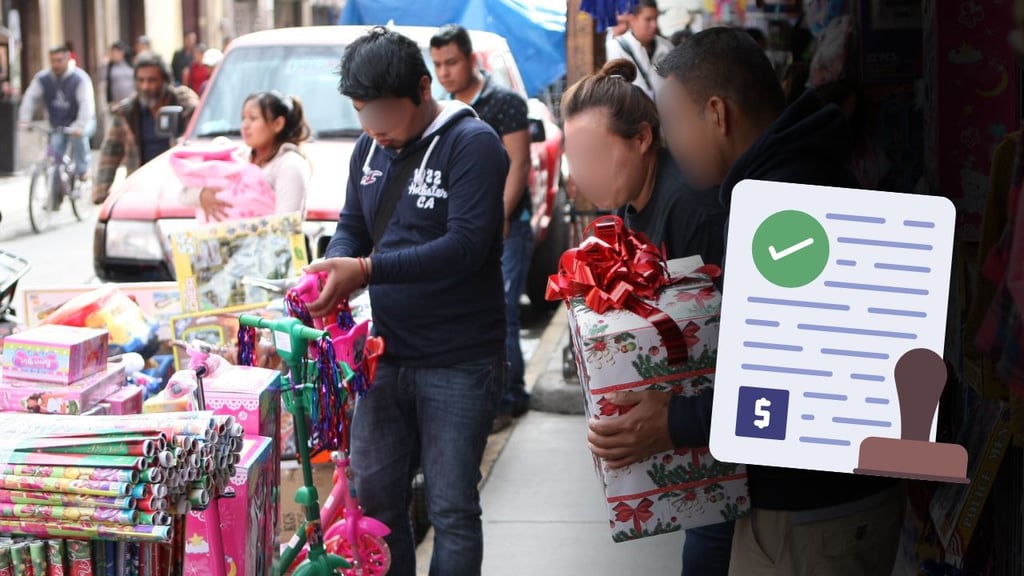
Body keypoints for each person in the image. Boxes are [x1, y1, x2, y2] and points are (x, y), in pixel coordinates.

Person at [618, 27, 899, 575]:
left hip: (813, 513)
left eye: (673, 122)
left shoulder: (785, 207)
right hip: (823, 505)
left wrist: (674, 421)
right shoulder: (797, 177)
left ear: (717, 113)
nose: (670, 143)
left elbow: (797, 386)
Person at [304, 26, 508, 576]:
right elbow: (352, 227)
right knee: (375, 500)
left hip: (459, 360)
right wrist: (335, 265)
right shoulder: (368, 149)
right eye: (363, 114)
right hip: (382, 358)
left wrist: (364, 270)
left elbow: (464, 248)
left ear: (422, 90)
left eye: (384, 115)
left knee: (452, 507)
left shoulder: (474, 144)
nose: (375, 129)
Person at [563, 58, 732, 576]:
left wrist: (669, 420)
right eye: (574, 157)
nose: (581, 172)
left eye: (594, 154)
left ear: (642, 139)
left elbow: (717, 341)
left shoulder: (690, 207)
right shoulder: (636, 201)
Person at [430, 24, 532, 433]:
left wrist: (500, 216)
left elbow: (519, 164)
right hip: (463, 231)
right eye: (437, 65)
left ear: (471, 60)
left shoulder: (504, 102)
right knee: (474, 311)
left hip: (508, 226)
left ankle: (510, 397)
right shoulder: (443, 109)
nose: (444, 72)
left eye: (451, 62)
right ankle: (492, 396)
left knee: (504, 310)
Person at [180, 90, 312, 219]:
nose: (244, 126)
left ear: (278, 124)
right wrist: (202, 195)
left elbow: (287, 225)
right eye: (243, 118)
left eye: (253, 118)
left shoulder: (289, 165)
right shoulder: (238, 157)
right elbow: (183, 193)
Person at [94, 53, 199, 204]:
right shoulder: (127, 113)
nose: (146, 86)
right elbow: (111, 150)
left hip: (179, 184)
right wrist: (101, 190)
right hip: (141, 186)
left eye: (152, 80)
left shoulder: (184, 105)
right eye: (141, 81)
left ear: (165, 81)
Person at [18, 45, 96, 185]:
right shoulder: (43, 78)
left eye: (59, 60)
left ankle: (83, 169)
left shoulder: (80, 79)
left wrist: (79, 126)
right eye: (52, 60)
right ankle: (54, 195)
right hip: (58, 125)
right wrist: (25, 118)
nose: (55, 64)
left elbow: (86, 105)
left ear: (67, 59)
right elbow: (31, 97)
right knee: (54, 157)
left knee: (78, 136)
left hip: (82, 121)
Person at [604, 0, 673, 99]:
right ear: (632, 20)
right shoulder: (616, 46)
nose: (654, 25)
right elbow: (617, 87)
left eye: (655, 19)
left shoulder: (667, 47)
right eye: (648, 19)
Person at [102, 42, 134, 109]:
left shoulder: (130, 65)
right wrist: (104, 65)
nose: (114, 55)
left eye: (116, 52)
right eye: (112, 52)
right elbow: (102, 78)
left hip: (131, 101)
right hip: (116, 104)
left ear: (122, 53)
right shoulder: (110, 67)